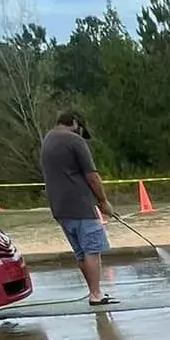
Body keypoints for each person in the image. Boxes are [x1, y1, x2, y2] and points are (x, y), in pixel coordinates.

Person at [39, 110, 115, 304]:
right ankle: (96, 294)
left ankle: (93, 291)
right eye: (80, 128)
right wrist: (103, 201)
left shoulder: (48, 139)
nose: (80, 133)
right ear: (74, 122)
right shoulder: (74, 141)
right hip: (80, 205)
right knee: (92, 250)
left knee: (81, 252)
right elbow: (92, 176)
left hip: (59, 207)